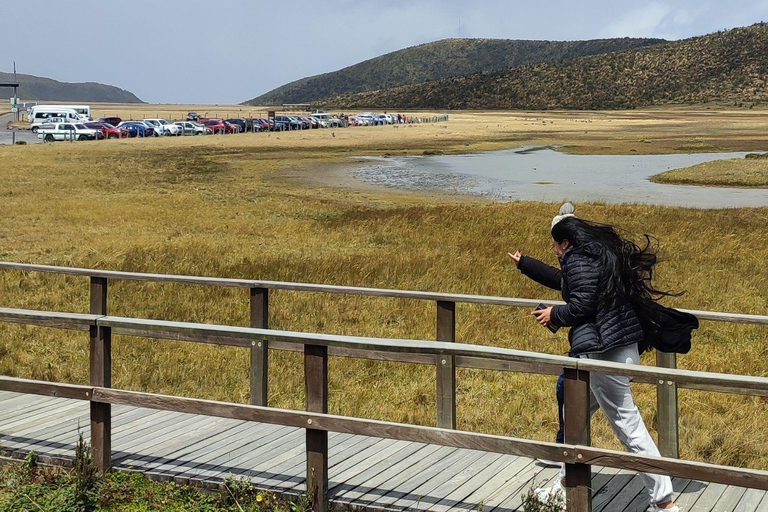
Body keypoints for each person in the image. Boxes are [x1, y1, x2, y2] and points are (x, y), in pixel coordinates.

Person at [508, 203, 679, 512]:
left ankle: (664, 502)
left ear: (567, 242)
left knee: (628, 426)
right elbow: (566, 283)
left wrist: (554, 314)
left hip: (604, 355)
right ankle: (564, 489)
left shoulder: (578, 260)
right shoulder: (596, 257)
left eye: (556, 244)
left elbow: (582, 305)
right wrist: (526, 264)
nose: (554, 249)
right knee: (573, 419)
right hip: (617, 350)